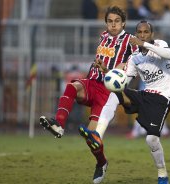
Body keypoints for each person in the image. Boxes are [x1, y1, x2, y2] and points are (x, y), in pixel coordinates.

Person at [39, 6, 138, 184]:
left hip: (107, 92)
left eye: (117, 21)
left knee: (91, 137)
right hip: (92, 82)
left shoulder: (130, 40)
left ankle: (101, 163)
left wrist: (126, 66)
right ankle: (59, 124)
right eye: (110, 21)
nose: (113, 25)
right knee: (71, 87)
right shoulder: (103, 36)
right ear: (106, 23)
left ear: (123, 23)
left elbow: (139, 58)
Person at [89, 20, 170, 184]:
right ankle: (98, 134)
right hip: (145, 95)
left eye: (146, 32)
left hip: (163, 97)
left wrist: (144, 44)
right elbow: (122, 81)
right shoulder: (134, 58)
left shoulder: (160, 45)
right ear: (136, 34)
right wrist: (107, 71)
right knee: (115, 92)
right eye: (139, 32)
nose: (142, 35)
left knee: (151, 140)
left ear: (152, 34)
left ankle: (162, 173)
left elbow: (169, 55)